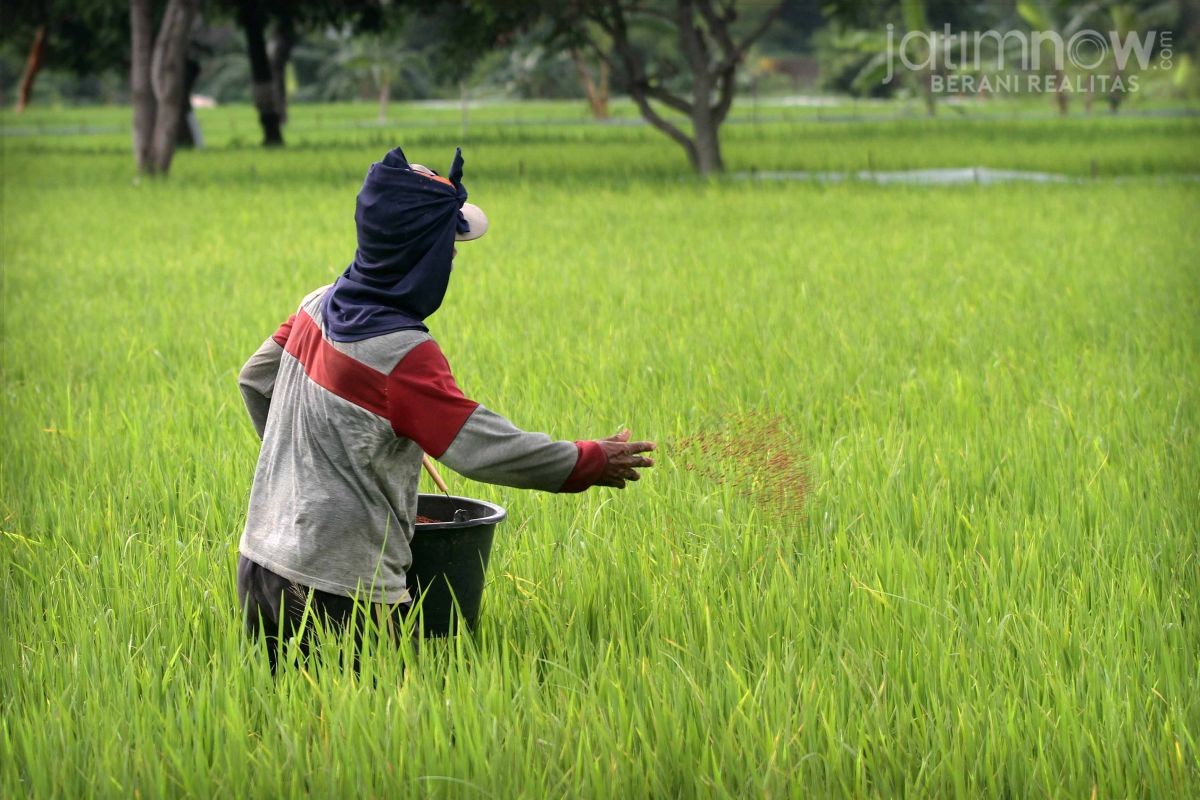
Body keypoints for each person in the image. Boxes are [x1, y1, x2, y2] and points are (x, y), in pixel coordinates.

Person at [236, 146, 655, 670]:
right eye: (447, 244)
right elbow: (481, 448)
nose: (453, 256)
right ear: (421, 251)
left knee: (286, 733)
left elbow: (254, 380)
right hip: (343, 591)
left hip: (260, 566)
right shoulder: (401, 355)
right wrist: (588, 459)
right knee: (368, 739)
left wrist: (312, 469)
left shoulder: (316, 305)